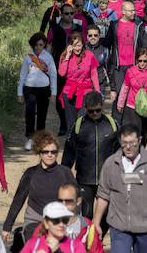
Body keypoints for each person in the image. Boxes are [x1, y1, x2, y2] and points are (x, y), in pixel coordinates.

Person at [93, 124, 147, 253]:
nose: (128, 147)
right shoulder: (111, 164)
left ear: (140, 140)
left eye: (132, 142)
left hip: (146, 227)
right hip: (119, 227)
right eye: (124, 143)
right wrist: (96, 223)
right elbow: (103, 195)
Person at [3, 130, 77, 242]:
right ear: (39, 152)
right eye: (45, 151)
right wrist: (7, 227)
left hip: (60, 221)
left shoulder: (65, 173)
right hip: (35, 220)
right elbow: (18, 200)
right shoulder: (30, 174)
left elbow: (76, 199)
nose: (50, 155)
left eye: (53, 151)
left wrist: (74, 218)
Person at [61, 91, 119, 225]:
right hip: (84, 180)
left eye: (98, 110)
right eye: (91, 111)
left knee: (106, 215)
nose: (94, 114)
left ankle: (98, 239)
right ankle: (88, 243)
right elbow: (68, 152)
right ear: (85, 108)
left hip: (107, 180)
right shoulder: (78, 126)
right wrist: (64, 175)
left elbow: (121, 151)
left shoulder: (112, 124)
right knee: (86, 215)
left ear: (102, 106)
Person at [101, 1, 147, 123]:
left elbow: (145, 45)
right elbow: (107, 43)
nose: (133, 12)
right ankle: (116, 123)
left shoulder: (139, 25)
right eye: (130, 10)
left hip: (133, 66)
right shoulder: (114, 25)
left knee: (132, 94)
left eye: (134, 10)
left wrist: (144, 63)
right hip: (118, 66)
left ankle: (131, 122)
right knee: (118, 94)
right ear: (123, 12)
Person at [28, 183, 104, 253]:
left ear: (78, 201)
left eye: (68, 201)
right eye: (60, 200)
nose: (63, 204)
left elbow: (97, 250)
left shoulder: (87, 227)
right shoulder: (47, 225)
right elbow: (34, 247)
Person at [116, 48, 147, 147]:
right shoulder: (130, 71)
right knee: (136, 129)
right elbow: (125, 88)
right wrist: (120, 103)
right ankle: (135, 152)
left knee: (145, 131)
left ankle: (142, 151)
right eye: (140, 61)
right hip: (133, 105)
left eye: (145, 61)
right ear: (136, 60)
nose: (142, 63)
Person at [19, 33, 57, 150]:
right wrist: (19, 92)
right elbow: (22, 76)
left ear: (44, 45)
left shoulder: (48, 57)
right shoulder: (28, 58)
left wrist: (53, 93)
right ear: (32, 45)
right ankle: (30, 138)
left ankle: (39, 139)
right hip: (29, 89)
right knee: (29, 113)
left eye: (41, 45)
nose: (38, 47)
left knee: (42, 114)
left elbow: (53, 75)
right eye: (36, 45)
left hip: (44, 90)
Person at [48, 4, 83, 135]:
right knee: (59, 97)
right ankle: (63, 123)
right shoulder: (55, 29)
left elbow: (84, 45)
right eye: (67, 13)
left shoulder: (78, 28)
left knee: (75, 96)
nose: (69, 16)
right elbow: (49, 46)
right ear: (61, 15)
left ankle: (73, 124)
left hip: (76, 67)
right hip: (59, 66)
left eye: (71, 13)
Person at [58, 30, 101, 132]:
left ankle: (84, 145)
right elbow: (62, 73)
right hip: (69, 92)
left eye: (79, 45)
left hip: (85, 92)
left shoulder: (89, 55)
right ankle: (71, 145)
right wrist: (67, 56)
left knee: (84, 121)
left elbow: (94, 75)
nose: (77, 48)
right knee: (71, 124)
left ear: (83, 44)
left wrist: (98, 92)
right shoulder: (65, 55)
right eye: (74, 45)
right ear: (70, 45)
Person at [20, 202, 88, 253]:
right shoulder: (32, 245)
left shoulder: (76, 245)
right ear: (46, 223)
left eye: (65, 220)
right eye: (56, 221)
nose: (61, 224)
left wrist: (57, 251)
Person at [84, 25, 110, 92]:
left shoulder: (104, 50)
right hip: (85, 85)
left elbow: (108, 68)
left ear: (99, 37)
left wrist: (112, 87)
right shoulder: (82, 49)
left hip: (100, 84)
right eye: (90, 35)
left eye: (95, 35)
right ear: (87, 37)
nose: (93, 37)